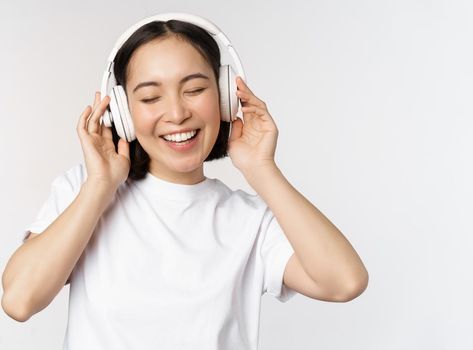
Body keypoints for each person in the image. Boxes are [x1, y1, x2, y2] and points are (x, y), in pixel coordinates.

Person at [1, 15, 368, 349]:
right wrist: (100, 185)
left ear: (225, 96)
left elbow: (344, 282)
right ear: (123, 112)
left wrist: (262, 169)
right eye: (149, 97)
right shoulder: (84, 191)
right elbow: (19, 300)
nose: (177, 114)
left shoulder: (251, 220)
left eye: (194, 90)